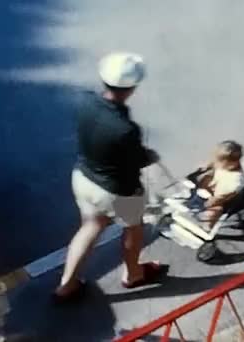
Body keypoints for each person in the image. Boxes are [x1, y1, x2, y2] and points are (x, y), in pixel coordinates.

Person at [53, 52, 168, 303]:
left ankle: (67, 284)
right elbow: (138, 159)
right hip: (119, 189)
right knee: (134, 229)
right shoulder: (126, 129)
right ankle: (133, 274)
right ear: (132, 87)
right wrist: (148, 155)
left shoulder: (85, 101)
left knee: (91, 226)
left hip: (83, 177)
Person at [193, 140, 244, 229]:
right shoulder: (222, 163)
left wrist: (209, 203)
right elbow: (213, 163)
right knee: (203, 178)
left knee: (214, 211)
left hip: (228, 199)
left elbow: (225, 196)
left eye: (220, 162)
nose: (217, 163)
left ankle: (207, 228)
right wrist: (205, 167)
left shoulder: (236, 180)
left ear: (233, 164)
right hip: (217, 186)